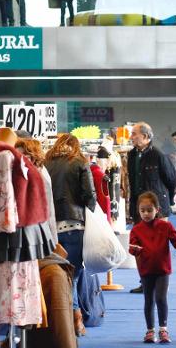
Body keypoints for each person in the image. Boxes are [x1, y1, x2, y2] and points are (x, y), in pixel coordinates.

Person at [45, 134, 97, 337]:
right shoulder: (80, 162)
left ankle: (65, 318)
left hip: (51, 229)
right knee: (73, 276)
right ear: (75, 146)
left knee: (59, 275)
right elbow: (89, 195)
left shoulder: (46, 162)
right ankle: (75, 318)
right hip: (75, 225)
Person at [129, 191, 176, 344]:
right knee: (148, 300)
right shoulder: (136, 229)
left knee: (161, 298)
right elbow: (131, 248)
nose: (146, 214)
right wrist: (135, 249)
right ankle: (150, 331)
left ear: (157, 209)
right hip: (145, 271)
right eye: (142, 210)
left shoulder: (166, 226)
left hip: (163, 270)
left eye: (149, 210)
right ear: (138, 211)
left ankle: (163, 329)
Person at [127, 122, 176, 223]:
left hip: (158, 208)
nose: (130, 137)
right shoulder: (131, 155)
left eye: (133, 134)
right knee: (140, 238)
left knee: (159, 238)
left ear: (144, 136)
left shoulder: (158, 155)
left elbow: (171, 179)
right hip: (139, 208)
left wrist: (169, 201)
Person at [90, 146, 112, 223]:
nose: (107, 163)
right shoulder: (101, 176)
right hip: (102, 216)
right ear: (98, 160)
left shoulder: (89, 172)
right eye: (105, 160)